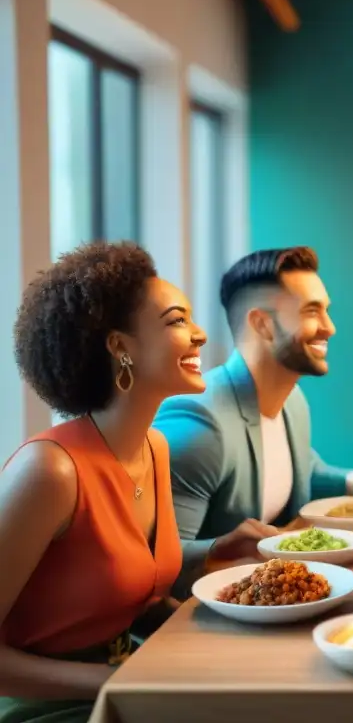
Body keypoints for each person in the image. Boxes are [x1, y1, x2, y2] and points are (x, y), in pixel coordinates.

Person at [0, 242, 206, 721]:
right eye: (177, 321)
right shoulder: (51, 471)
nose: (198, 335)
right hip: (45, 709)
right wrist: (119, 680)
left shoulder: (155, 447)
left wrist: (227, 621)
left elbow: (135, 599)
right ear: (119, 347)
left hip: (127, 688)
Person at [154, 246, 340, 598]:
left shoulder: (293, 403)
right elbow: (155, 562)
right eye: (311, 312)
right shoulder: (200, 424)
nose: (329, 327)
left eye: (326, 311)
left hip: (272, 604)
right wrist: (219, 548)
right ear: (263, 324)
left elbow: (307, 472)